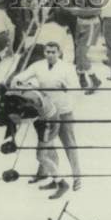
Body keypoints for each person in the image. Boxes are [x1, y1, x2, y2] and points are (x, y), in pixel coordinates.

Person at [14, 41, 81, 197]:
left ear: (59, 53)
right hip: (46, 112)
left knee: (69, 144)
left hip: (63, 111)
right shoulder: (38, 66)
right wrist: (23, 84)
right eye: (47, 52)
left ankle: (77, 177)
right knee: (48, 146)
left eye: (53, 52)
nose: (50, 55)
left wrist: (66, 87)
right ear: (44, 53)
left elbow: (77, 88)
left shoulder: (67, 68)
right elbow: (19, 78)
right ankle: (52, 178)